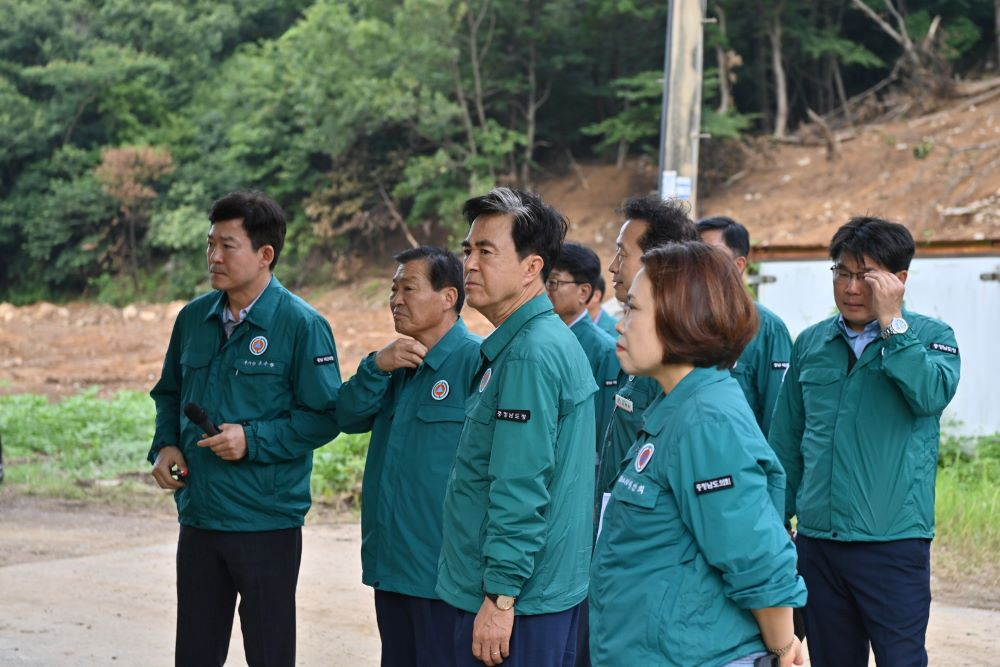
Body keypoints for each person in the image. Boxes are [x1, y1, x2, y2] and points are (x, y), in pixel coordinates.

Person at [148, 190, 342, 667]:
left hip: (265, 522)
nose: (214, 256)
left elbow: (324, 417)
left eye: (227, 245)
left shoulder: (302, 325)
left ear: (265, 254)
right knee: (195, 653)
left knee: (269, 653)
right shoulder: (193, 318)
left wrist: (252, 440)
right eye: (210, 244)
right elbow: (169, 393)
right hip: (200, 517)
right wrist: (166, 445)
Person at [590, 242, 808, 667]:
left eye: (633, 309)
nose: (620, 324)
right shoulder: (677, 406)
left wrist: (784, 649)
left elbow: (754, 554)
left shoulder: (707, 421)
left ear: (681, 318)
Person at [769, 217, 961, 666]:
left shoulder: (932, 338)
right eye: (842, 272)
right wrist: (775, 523)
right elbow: (787, 443)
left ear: (899, 279)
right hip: (818, 545)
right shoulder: (811, 343)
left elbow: (930, 395)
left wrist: (893, 326)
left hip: (892, 545)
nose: (851, 288)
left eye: (866, 276)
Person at [436, 187, 597, 667]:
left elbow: (520, 487)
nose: (468, 264)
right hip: (531, 596)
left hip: (518, 605)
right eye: (467, 249)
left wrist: (501, 597)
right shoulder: (532, 341)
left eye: (486, 251)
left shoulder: (530, 353)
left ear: (532, 268)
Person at [336, 246, 481, 667]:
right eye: (392, 289)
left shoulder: (476, 360)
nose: (396, 299)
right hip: (393, 566)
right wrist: (375, 367)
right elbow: (346, 416)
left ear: (448, 297)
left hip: (443, 574)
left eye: (409, 288)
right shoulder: (394, 364)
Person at [595, 195, 697, 508]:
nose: (613, 266)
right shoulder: (640, 349)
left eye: (622, 254)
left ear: (658, 261)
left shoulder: (675, 360)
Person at [697, 216, 792, 437]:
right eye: (695, 255)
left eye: (710, 255)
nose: (699, 265)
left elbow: (777, 420)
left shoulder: (768, 328)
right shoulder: (682, 322)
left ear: (738, 265)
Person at [546, 241, 621, 451]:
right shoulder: (542, 340)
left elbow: (604, 425)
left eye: (554, 282)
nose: (546, 290)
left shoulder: (604, 350)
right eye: (544, 281)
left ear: (584, 292)